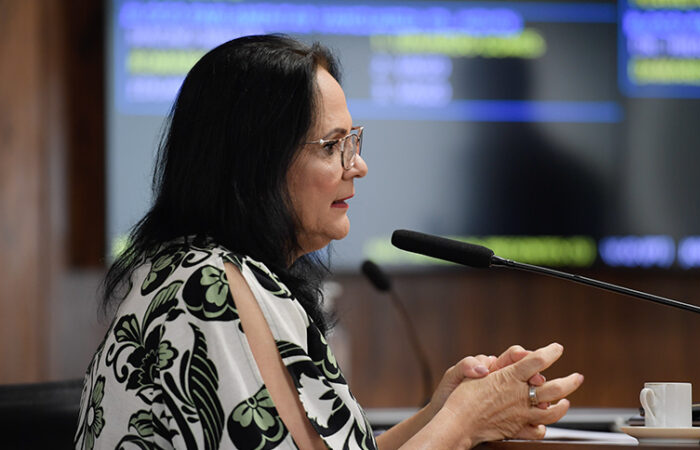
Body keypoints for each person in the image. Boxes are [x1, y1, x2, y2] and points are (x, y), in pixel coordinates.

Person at [74, 34, 583, 450]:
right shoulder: (209, 287)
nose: (356, 165)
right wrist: (467, 421)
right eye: (332, 146)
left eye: (352, 141)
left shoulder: (215, 269)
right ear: (257, 164)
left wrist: (441, 412)